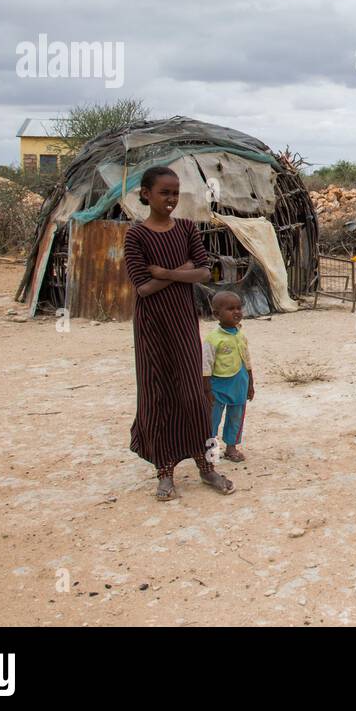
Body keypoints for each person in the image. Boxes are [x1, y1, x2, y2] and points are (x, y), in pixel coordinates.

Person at [123, 165, 234, 501]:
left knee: (193, 393)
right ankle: (165, 471)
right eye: (164, 192)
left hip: (184, 322)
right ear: (146, 194)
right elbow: (142, 287)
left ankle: (206, 465)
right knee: (157, 395)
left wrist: (164, 272)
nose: (171, 199)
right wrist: (180, 272)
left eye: (175, 193)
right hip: (152, 326)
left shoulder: (187, 229)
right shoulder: (136, 235)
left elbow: (203, 272)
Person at [201, 290, 254, 464]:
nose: (237, 312)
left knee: (236, 417)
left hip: (239, 383)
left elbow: (247, 360)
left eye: (239, 308)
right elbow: (205, 366)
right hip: (218, 387)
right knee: (212, 420)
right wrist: (207, 390)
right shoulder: (213, 338)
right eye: (230, 309)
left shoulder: (240, 334)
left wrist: (250, 384)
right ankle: (210, 452)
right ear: (217, 314)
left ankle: (231, 447)